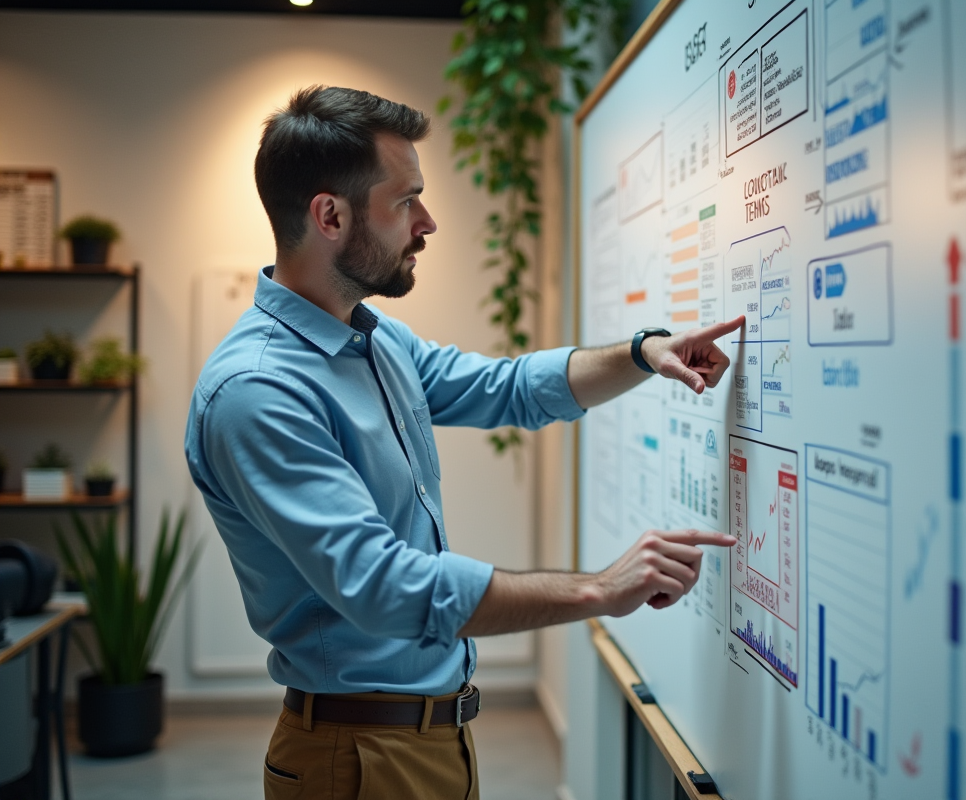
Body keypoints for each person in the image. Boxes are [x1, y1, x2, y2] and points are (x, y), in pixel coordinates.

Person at [184, 85, 740, 800]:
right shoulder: (258, 391)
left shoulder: (374, 340)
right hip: (355, 761)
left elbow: (505, 386)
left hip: (426, 738)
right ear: (330, 215)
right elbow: (383, 586)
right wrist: (597, 589)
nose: (428, 221)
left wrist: (643, 351)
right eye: (405, 199)